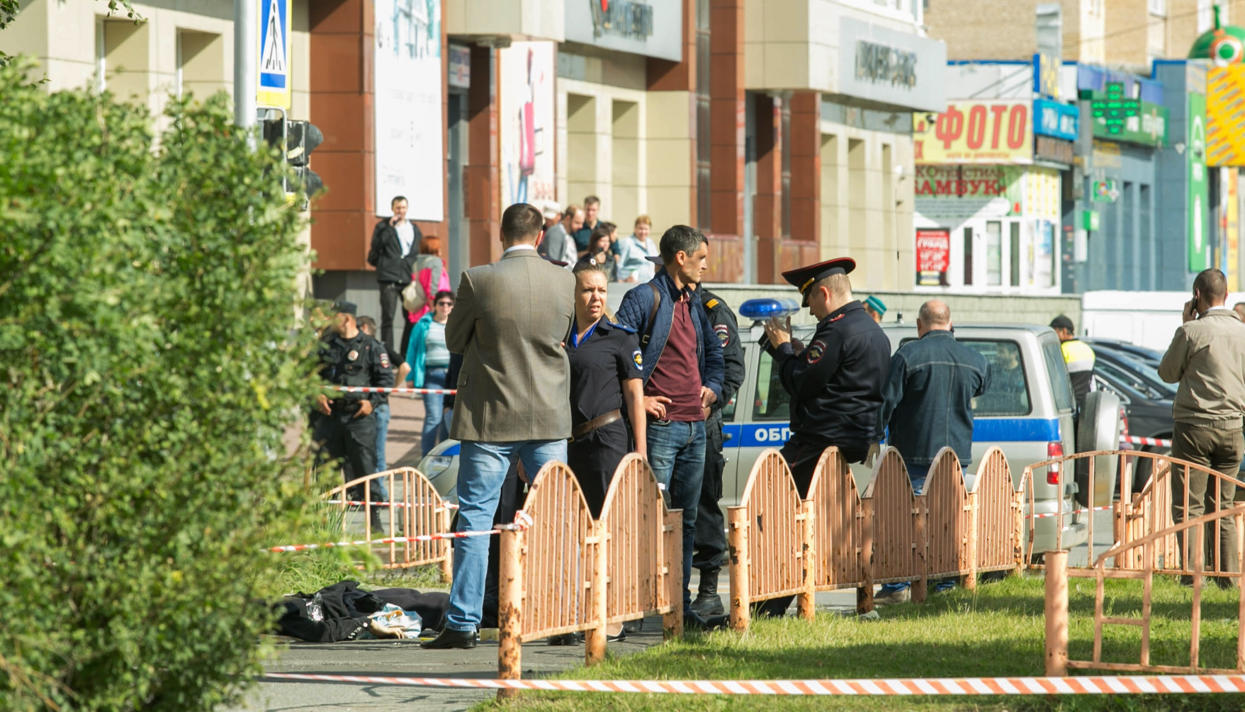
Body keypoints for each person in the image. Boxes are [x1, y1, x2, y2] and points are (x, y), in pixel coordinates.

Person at [421, 203, 576, 650]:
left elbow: (454, 340)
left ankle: (463, 624)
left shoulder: (477, 279)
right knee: (554, 521)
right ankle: (561, 617)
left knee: (475, 520)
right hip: (548, 417)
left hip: (490, 419)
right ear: (541, 236)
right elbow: (564, 335)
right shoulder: (564, 280)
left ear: (501, 234)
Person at [757, 257, 891, 617]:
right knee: (808, 522)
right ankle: (774, 604)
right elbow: (837, 381)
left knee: (777, 516)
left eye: (811, 301)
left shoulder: (836, 330)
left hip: (818, 441)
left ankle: (766, 608)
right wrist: (798, 355)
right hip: (853, 441)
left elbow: (801, 382)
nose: (811, 310)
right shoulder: (872, 330)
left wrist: (783, 349)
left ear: (824, 293)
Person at [615, 225, 725, 629]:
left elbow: (715, 355)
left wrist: (713, 389)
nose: (705, 266)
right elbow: (616, 353)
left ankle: (678, 607)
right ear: (681, 258)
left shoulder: (693, 301)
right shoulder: (644, 298)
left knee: (686, 522)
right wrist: (639, 400)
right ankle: (638, 608)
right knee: (650, 518)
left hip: (695, 427)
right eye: (701, 258)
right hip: (661, 430)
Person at [874, 300, 989, 605]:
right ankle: (944, 583)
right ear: (950, 324)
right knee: (945, 520)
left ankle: (897, 586)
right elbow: (981, 386)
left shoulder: (907, 356)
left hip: (913, 453)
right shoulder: (975, 360)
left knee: (902, 521)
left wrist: (873, 435)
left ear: (919, 325)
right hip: (956, 457)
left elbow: (887, 402)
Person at [1157, 268, 1245, 582]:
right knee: (1223, 505)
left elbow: (1167, 373)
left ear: (1196, 296)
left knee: (1189, 505)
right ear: (1227, 295)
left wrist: (1185, 323)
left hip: (1194, 428)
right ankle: (1227, 578)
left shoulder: (1191, 331)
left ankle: (1193, 577)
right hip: (1232, 428)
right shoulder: (1242, 332)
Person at [566, 262, 646, 516]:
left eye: (601, 290)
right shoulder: (560, 337)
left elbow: (635, 397)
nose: (596, 297)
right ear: (573, 293)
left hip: (605, 441)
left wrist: (641, 451)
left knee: (607, 517)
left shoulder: (620, 338)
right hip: (566, 443)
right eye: (588, 290)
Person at [689, 282, 746, 618]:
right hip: (665, 422)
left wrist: (712, 400)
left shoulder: (712, 310)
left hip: (703, 422)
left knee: (704, 505)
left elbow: (732, 369)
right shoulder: (657, 302)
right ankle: (670, 593)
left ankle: (708, 592)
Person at [314, 300, 394, 532]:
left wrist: (372, 402)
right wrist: (317, 394)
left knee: (365, 469)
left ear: (346, 318)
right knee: (325, 471)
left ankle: (375, 525)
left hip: (359, 419)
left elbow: (385, 380)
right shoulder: (325, 346)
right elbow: (309, 374)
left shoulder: (371, 347)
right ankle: (325, 527)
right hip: (330, 417)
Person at [368, 195, 422, 353]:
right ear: (392, 209)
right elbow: (376, 247)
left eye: (403, 208)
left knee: (411, 318)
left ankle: (405, 354)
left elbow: (417, 251)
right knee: (388, 317)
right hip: (389, 278)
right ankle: (388, 354)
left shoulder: (414, 228)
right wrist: (389, 228)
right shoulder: (383, 227)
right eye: (398, 208)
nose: (401, 211)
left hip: (407, 278)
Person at [357, 316, 411, 472]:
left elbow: (405, 368)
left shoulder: (371, 347)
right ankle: (378, 485)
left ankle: (377, 486)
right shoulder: (382, 346)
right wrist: (390, 389)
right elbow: (405, 367)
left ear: (364, 328)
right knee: (378, 453)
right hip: (379, 404)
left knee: (369, 453)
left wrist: (391, 387)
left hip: (371, 405)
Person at [404, 290, 455, 455]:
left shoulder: (457, 324)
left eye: (449, 304)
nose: (445, 307)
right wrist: (410, 377)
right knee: (434, 417)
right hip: (432, 375)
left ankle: (444, 457)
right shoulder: (424, 324)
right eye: (441, 303)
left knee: (448, 418)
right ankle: (426, 457)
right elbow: (412, 349)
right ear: (435, 305)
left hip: (453, 377)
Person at [403, 235, 450, 357]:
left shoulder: (416, 263)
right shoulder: (436, 262)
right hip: (433, 306)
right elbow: (433, 287)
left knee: (419, 343)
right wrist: (435, 307)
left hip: (420, 306)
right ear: (434, 248)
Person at [1050, 314, 1095, 415]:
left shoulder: (1060, 351)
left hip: (1067, 408)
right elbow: (1092, 383)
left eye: (1054, 331)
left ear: (1064, 331)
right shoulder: (1088, 350)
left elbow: (1055, 382)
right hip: (1085, 407)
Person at [616, 215, 659, 283]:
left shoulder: (651, 243)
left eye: (646, 229)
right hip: (633, 285)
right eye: (640, 228)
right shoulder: (627, 242)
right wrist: (622, 280)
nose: (643, 232)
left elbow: (657, 262)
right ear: (635, 228)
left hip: (651, 284)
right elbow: (619, 265)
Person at [539, 203, 581, 268]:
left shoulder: (565, 233)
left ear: (559, 216)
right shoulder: (554, 231)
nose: (548, 221)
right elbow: (553, 263)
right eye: (546, 218)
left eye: (550, 218)